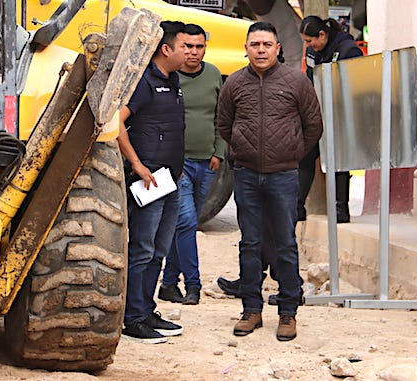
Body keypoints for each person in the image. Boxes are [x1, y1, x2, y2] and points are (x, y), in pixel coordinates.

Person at [218, 22, 322, 341]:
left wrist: (290, 153)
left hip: (283, 176)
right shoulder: (234, 83)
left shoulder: (296, 81)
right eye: (254, 44)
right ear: (246, 48)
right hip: (247, 175)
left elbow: (313, 125)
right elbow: (223, 124)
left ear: (278, 48)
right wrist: (242, 150)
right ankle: (251, 310)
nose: (260, 50)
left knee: (285, 244)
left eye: (267, 44)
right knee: (249, 243)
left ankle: (288, 314)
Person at [117, 20, 189, 343]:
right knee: (142, 249)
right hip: (149, 181)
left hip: (170, 179)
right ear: (166, 49)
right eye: (185, 47)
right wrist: (136, 164)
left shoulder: (173, 80)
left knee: (159, 249)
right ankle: (132, 318)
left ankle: (146, 311)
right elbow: (116, 122)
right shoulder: (145, 81)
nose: (192, 53)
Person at [158, 24, 225, 306]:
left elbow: (223, 116)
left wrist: (219, 152)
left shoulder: (213, 74)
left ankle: (168, 284)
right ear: (176, 47)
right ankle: (193, 285)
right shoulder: (167, 76)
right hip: (178, 165)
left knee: (184, 225)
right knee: (185, 222)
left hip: (207, 163)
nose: (193, 52)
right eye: (187, 46)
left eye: (199, 47)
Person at [298, 15, 363, 223]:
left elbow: (354, 84)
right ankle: (297, 206)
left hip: (341, 115)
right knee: (305, 155)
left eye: (310, 40)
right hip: (316, 114)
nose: (308, 45)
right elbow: (309, 80)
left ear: (322, 35)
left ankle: (340, 209)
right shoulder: (312, 52)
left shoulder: (347, 50)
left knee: (338, 160)